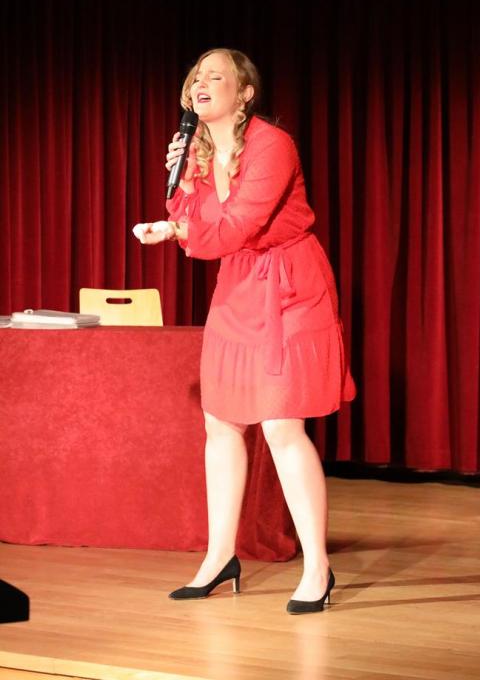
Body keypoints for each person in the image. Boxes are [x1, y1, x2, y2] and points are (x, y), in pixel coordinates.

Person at [132, 48, 355, 614]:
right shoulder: (199, 150)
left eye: (216, 75)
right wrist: (181, 188)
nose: (201, 83)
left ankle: (317, 568)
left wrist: (179, 230)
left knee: (281, 424)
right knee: (221, 422)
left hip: (288, 284)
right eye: (196, 77)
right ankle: (219, 557)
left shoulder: (271, 145)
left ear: (245, 92)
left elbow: (237, 225)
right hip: (237, 286)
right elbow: (192, 216)